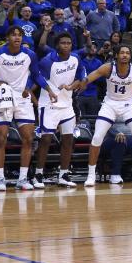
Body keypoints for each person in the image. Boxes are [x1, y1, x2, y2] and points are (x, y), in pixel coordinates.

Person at [75, 46, 132, 187]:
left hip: (129, 104)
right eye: (122, 53)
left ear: (130, 56)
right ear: (116, 55)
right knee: (96, 137)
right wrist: (80, 83)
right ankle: (90, 176)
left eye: (127, 53)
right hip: (110, 104)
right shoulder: (108, 68)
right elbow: (90, 77)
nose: (125, 55)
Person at [0, 26, 40, 191]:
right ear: (7, 37)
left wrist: (31, 88)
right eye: (13, 35)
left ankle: (23, 179)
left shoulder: (30, 54)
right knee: (1, 138)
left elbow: (36, 75)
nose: (17, 38)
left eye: (20, 35)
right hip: (3, 98)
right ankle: (0, 179)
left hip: (22, 99)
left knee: (28, 139)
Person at [32, 32, 85, 189]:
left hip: (67, 104)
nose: (66, 45)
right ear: (57, 45)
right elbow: (38, 78)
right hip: (49, 104)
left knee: (68, 139)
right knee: (46, 139)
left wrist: (72, 85)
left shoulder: (75, 58)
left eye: (69, 43)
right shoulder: (48, 61)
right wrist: (48, 90)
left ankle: (63, 174)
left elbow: (81, 75)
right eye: (63, 43)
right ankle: (38, 174)